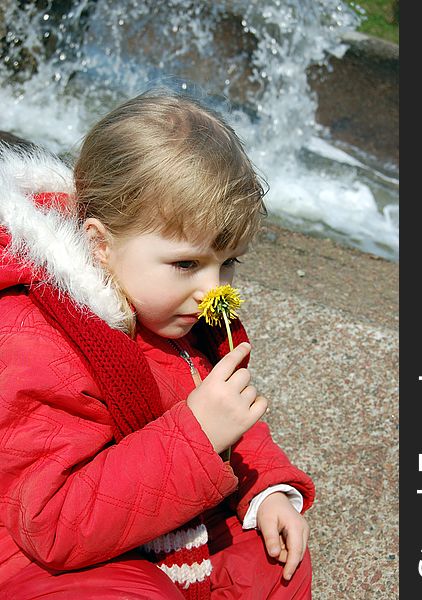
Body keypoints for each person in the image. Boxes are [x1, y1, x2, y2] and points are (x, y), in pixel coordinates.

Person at [0, 91, 315, 599]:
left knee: (277, 560)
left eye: (228, 262)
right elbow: (50, 526)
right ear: (100, 244)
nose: (216, 291)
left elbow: (230, 415)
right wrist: (196, 432)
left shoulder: (178, 312)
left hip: (162, 521)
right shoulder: (41, 336)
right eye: (187, 264)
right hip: (36, 559)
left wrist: (268, 489)